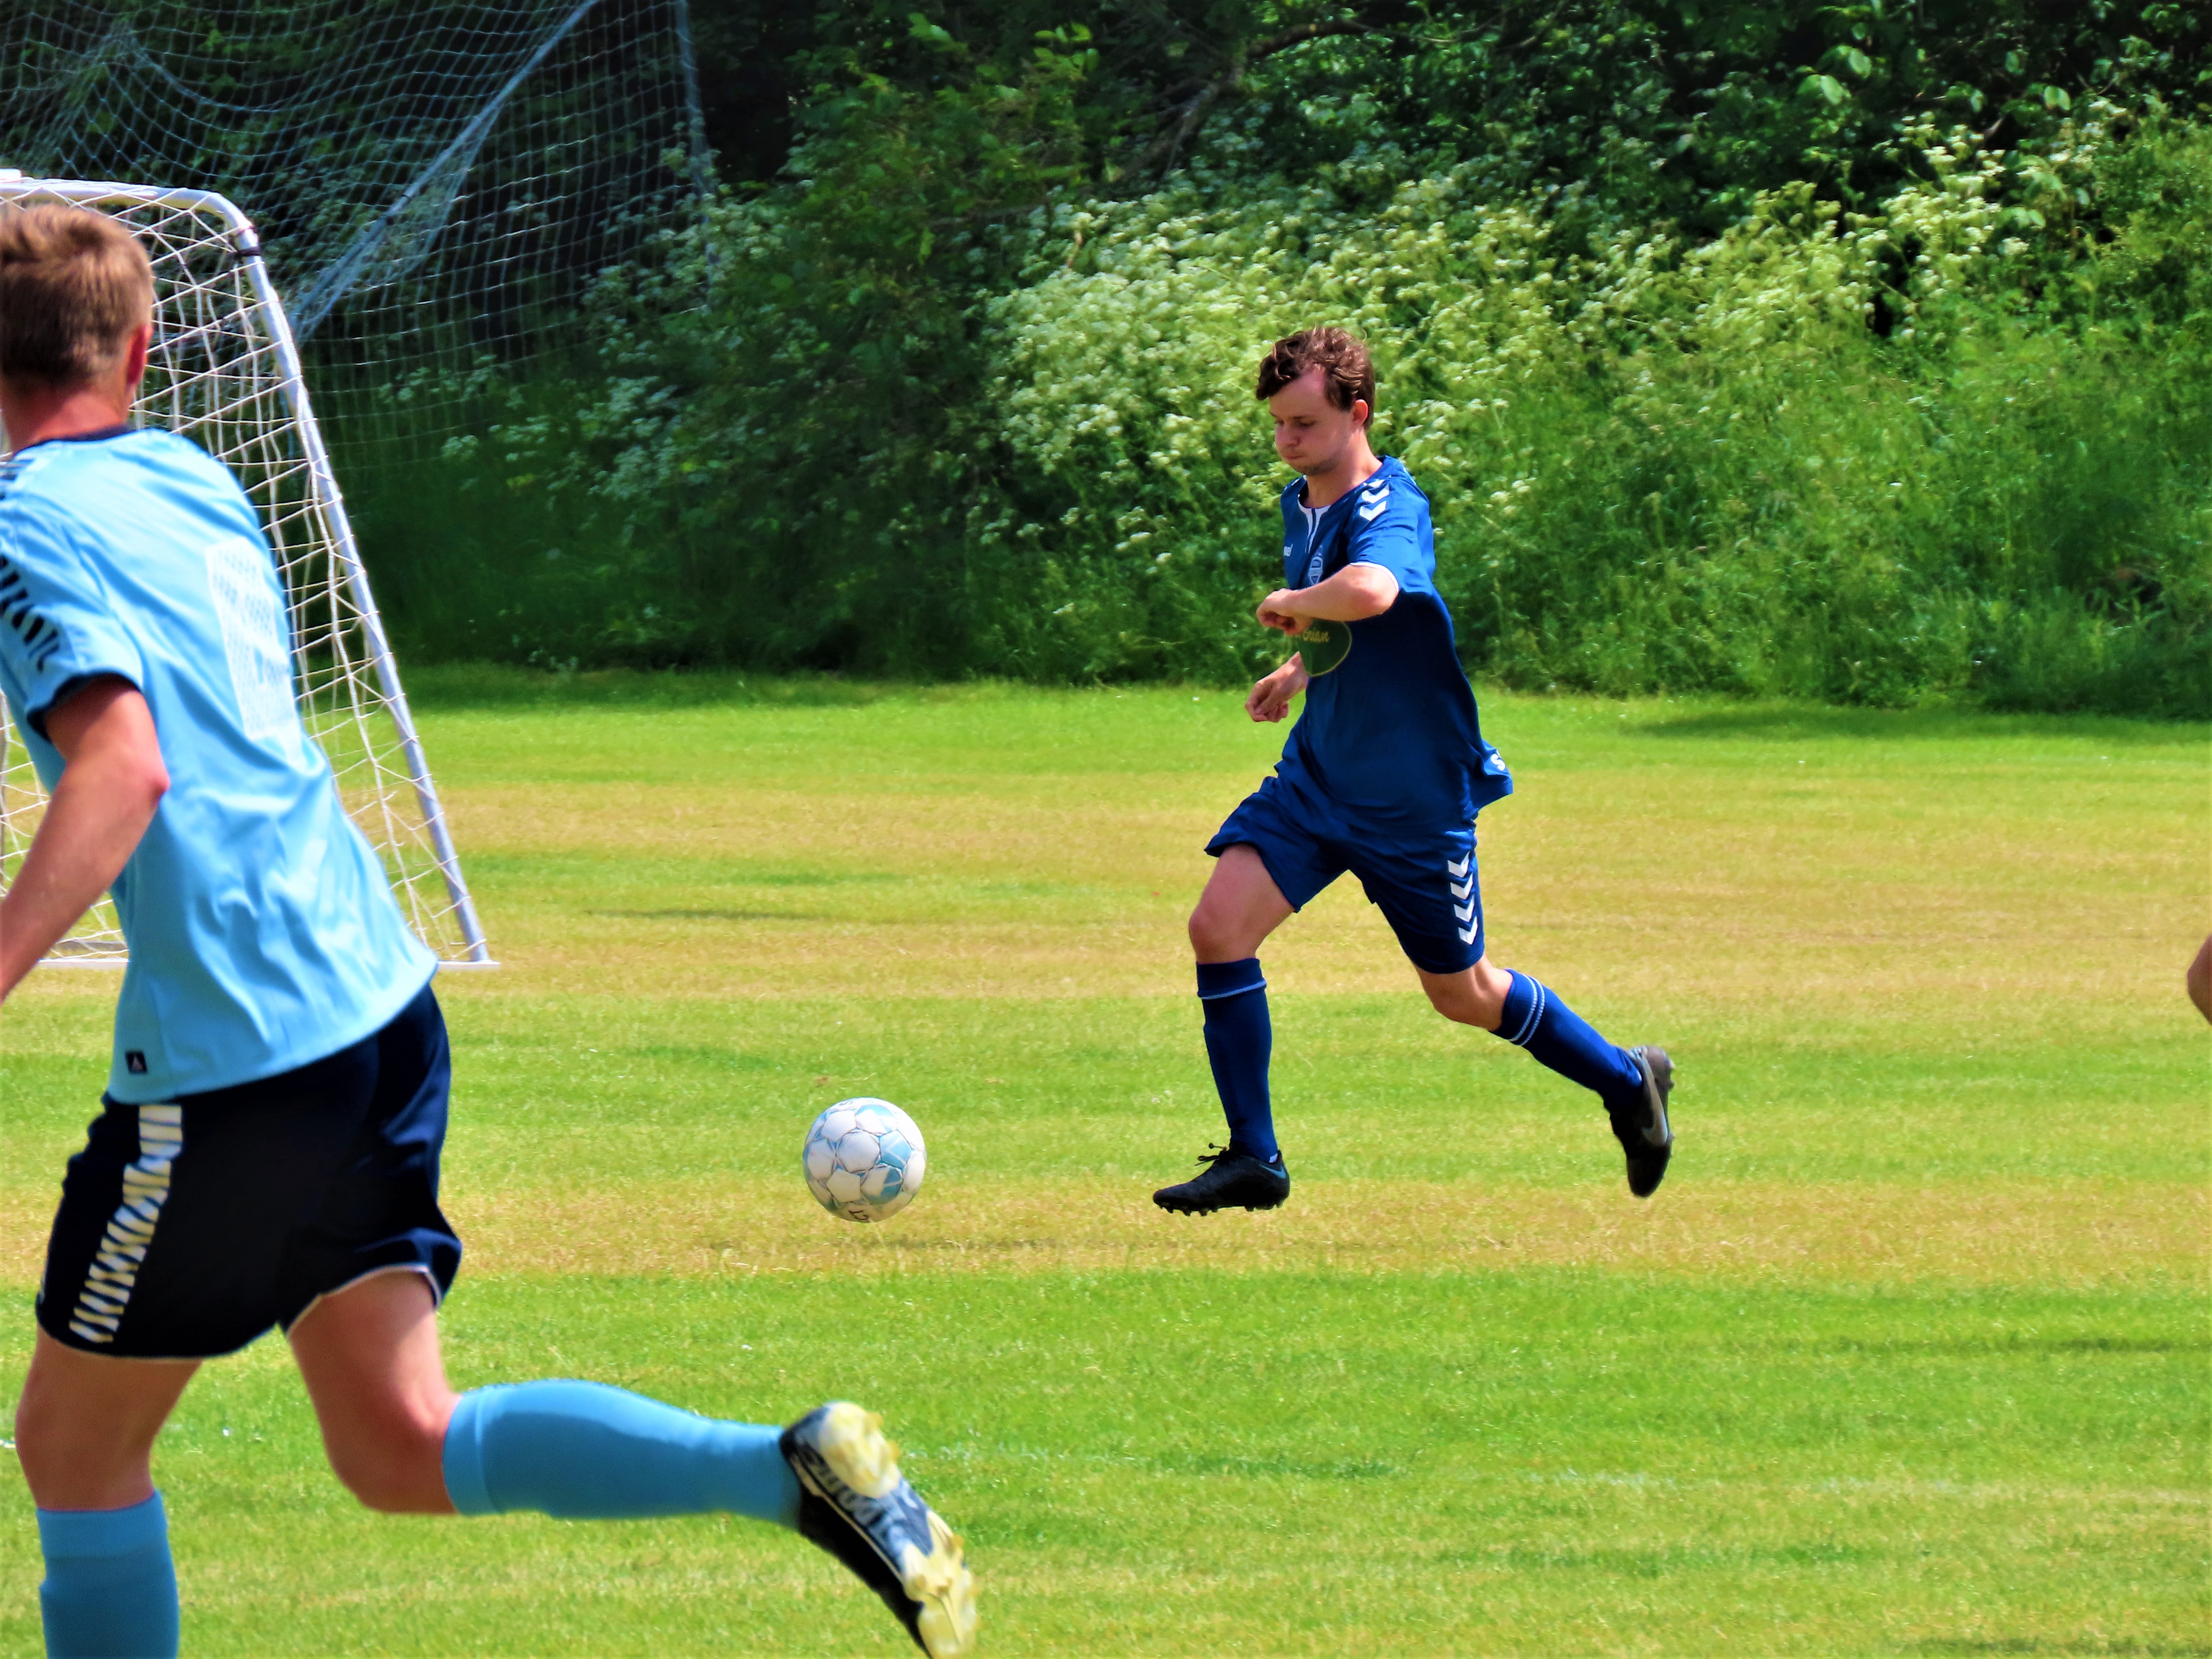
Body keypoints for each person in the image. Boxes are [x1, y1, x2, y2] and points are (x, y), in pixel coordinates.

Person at [0, 204, 975, 1659]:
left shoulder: (21, 525)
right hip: (379, 1003)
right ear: (144, 352)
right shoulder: (197, 481)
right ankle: (789, 1467)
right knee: (398, 1440)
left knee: (75, 1450)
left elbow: (126, 767)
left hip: (238, 1055)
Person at [1153, 327, 1674, 1216]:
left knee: (1463, 995)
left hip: (1412, 804)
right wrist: (1297, 670)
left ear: (1358, 413)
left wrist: (1290, 603)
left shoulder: (1391, 505)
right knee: (1218, 928)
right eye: (1278, 424)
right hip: (1319, 780)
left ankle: (1629, 1082)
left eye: (1305, 424)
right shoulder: (1301, 504)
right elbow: (1349, 629)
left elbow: (1372, 592)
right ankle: (1256, 1158)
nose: (1287, 440)